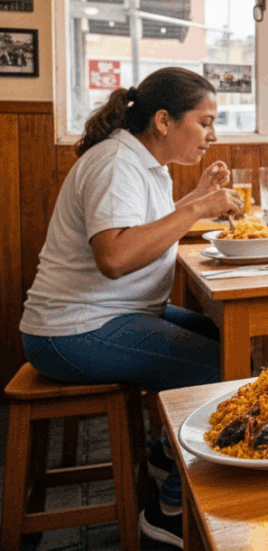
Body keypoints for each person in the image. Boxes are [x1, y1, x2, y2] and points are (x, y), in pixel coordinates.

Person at [19, 67, 244, 550]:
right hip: (72, 331)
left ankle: (168, 455)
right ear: (164, 120)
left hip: (109, 316)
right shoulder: (116, 163)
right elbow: (116, 257)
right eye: (205, 122)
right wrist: (197, 209)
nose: (213, 134)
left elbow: (143, 230)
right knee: (224, 368)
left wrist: (195, 197)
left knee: (222, 340)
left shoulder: (141, 162)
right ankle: (167, 514)